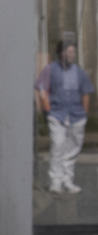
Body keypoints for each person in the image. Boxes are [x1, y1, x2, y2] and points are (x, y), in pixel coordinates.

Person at [35, 40, 95, 194]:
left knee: (72, 149)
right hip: (57, 114)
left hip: (76, 115)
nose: (72, 55)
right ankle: (55, 180)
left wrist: (84, 115)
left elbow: (86, 93)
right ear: (61, 53)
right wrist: (47, 109)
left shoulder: (78, 71)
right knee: (58, 145)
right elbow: (42, 89)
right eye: (69, 52)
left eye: (73, 52)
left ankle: (67, 180)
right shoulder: (50, 69)